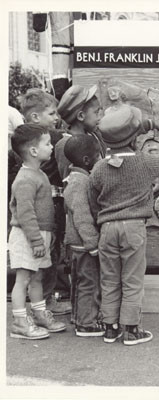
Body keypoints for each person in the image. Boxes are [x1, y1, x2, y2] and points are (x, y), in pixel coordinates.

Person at [89, 104, 159, 345]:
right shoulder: (145, 163)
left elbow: (92, 200)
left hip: (107, 229)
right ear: (134, 138)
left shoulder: (98, 168)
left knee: (109, 279)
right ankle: (131, 329)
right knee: (132, 279)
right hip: (133, 228)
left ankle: (110, 327)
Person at [9, 88, 72, 316]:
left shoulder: (23, 147)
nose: (57, 118)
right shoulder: (49, 140)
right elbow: (25, 208)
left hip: (42, 217)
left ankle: (42, 306)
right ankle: (37, 308)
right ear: (36, 117)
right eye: (52, 113)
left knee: (43, 264)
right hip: (41, 217)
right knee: (43, 262)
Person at [63, 135, 104, 337]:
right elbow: (81, 215)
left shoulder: (73, 179)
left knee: (79, 282)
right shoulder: (81, 182)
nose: (100, 158)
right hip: (83, 244)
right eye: (97, 155)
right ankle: (86, 323)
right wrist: (92, 243)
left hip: (76, 244)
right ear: (87, 160)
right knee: (89, 282)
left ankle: (78, 316)